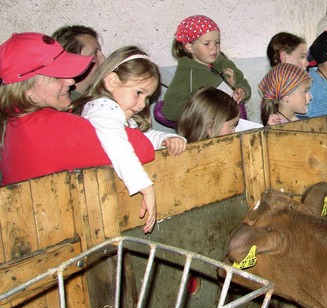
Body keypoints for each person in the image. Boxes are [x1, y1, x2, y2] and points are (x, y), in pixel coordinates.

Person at [0, 32, 154, 187]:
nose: (71, 80)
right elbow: (142, 147)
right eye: (56, 76)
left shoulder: (13, 121)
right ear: (27, 88)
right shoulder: (50, 127)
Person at [75, 46, 187, 234]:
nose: (143, 104)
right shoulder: (101, 109)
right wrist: (145, 187)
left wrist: (167, 138)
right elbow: (118, 145)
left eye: (148, 97)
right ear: (112, 81)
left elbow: (141, 137)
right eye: (139, 93)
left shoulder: (119, 114)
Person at [163, 15, 251, 122]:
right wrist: (201, 106)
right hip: (207, 132)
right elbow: (170, 109)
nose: (214, 47)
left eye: (217, 42)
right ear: (190, 47)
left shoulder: (223, 63)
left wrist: (241, 89)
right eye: (207, 43)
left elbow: (243, 84)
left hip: (235, 122)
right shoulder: (186, 74)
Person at [51, 25, 106, 100]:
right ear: (71, 61)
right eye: (94, 55)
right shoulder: (64, 105)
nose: (103, 59)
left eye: (100, 52)